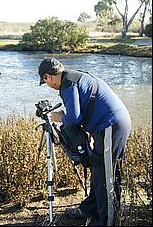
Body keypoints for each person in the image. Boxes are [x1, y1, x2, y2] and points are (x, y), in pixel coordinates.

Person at [38, 57, 131, 226]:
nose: (48, 86)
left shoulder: (68, 84)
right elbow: (87, 106)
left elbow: (73, 118)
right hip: (109, 125)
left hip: (111, 124)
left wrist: (59, 117)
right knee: (99, 168)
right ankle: (89, 209)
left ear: (47, 77)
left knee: (106, 175)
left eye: (45, 82)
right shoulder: (73, 77)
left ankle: (106, 221)